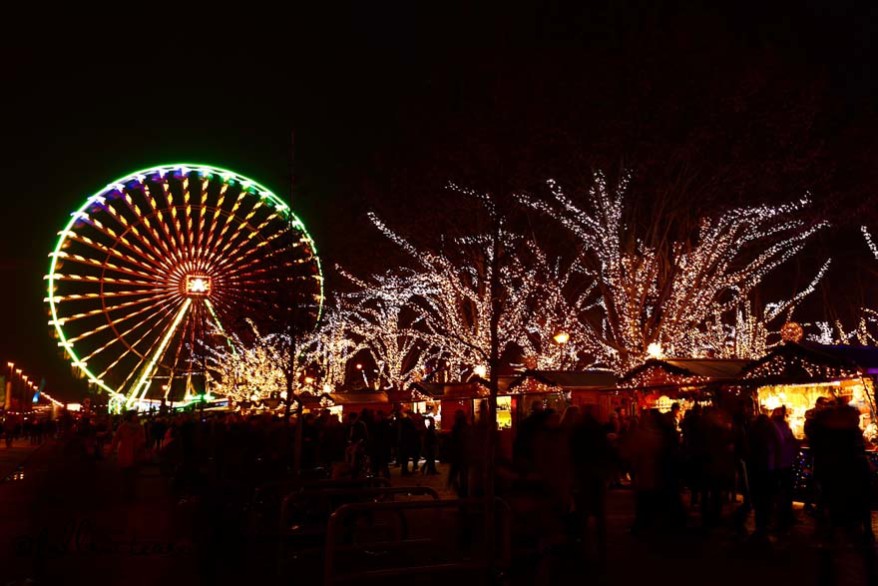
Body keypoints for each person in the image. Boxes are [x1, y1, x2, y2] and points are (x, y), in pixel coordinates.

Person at [111, 411, 146, 500]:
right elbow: (115, 440)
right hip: (125, 453)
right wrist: (110, 451)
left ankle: (131, 493)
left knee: (133, 475)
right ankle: (126, 493)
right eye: (135, 415)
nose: (137, 417)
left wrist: (141, 444)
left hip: (136, 453)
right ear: (130, 416)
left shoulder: (140, 427)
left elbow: (143, 439)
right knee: (125, 475)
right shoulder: (123, 427)